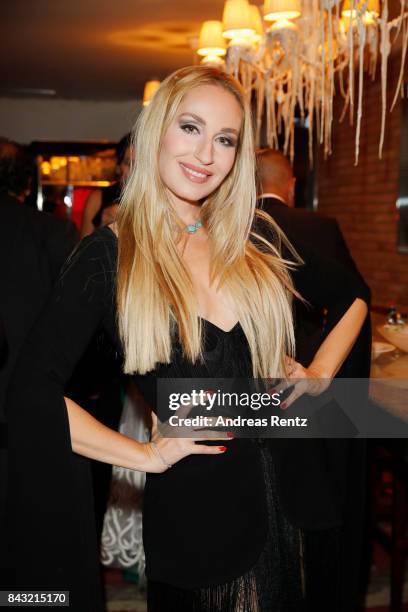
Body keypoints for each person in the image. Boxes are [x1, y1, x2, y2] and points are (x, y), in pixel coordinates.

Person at [4, 67, 369, 611]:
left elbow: (353, 297)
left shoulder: (257, 234)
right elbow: (30, 395)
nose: (206, 154)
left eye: (225, 139)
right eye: (191, 127)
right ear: (157, 131)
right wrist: (144, 454)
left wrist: (319, 375)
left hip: (303, 504)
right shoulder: (110, 256)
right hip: (203, 521)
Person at [257, 147, 372, 611]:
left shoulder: (245, 227)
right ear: (291, 186)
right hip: (313, 391)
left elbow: (353, 298)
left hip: (264, 389)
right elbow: (354, 299)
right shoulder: (319, 226)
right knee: (320, 498)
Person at [81, 134, 133, 238]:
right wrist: (102, 228)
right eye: (128, 163)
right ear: (119, 166)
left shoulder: (159, 199)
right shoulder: (98, 198)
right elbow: (83, 249)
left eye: (140, 164)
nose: (134, 170)